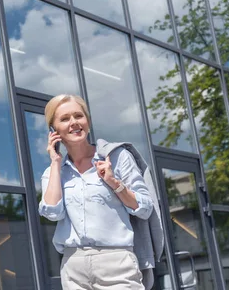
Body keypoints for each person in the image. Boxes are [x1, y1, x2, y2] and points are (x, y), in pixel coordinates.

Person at [39, 94, 153, 290]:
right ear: (54, 130)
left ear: (88, 122)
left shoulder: (117, 158)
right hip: (73, 265)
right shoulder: (53, 172)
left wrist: (113, 182)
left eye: (78, 116)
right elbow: (51, 212)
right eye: (65, 119)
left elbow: (145, 208)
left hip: (116, 262)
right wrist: (56, 162)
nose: (74, 122)